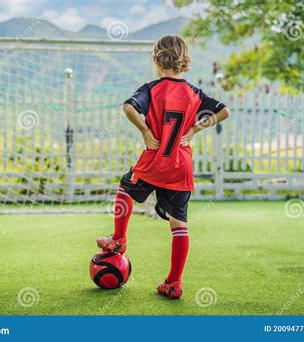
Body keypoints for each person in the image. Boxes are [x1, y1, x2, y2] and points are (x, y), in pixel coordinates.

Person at [97, 34, 230, 299]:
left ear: (156, 59)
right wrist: (194, 130)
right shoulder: (195, 93)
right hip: (181, 166)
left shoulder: (151, 88)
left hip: (154, 161)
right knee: (179, 224)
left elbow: (128, 107)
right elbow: (224, 110)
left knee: (125, 188)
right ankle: (174, 282)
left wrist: (146, 131)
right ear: (185, 61)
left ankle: (119, 239)